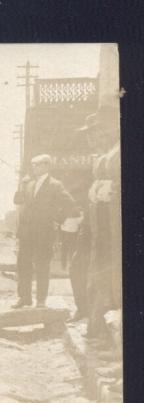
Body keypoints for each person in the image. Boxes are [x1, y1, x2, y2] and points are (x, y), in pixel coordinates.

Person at [12, 154, 77, 308]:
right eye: (33, 165)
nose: (34, 168)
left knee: (42, 266)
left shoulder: (55, 185)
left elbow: (71, 205)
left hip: (44, 233)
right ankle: (24, 298)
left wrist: (56, 220)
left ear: (47, 166)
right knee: (23, 265)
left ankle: (41, 300)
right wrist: (22, 185)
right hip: (26, 232)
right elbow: (17, 201)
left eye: (37, 165)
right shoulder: (29, 184)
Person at [82, 106, 121, 338]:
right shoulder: (105, 155)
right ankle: (101, 333)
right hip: (102, 228)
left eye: (96, 131)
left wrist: (112, 188)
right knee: (100, 277)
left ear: (111, 129)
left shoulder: (119, 151)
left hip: (115, 228)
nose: (91, 137)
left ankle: (117, 344)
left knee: (115, 280)